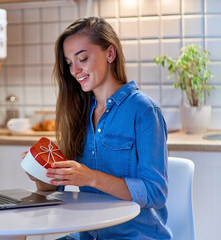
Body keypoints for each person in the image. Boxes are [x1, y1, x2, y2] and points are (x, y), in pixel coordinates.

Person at [21, 16, 171, 239]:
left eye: (82, 58)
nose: (74, 70)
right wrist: (39, 173)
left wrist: (90, 177)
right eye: (70, 62)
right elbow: (53, 190)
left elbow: (155, 192)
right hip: (88, 235)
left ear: (110, 54)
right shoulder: (78, 112)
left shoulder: (144, 111)